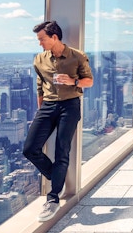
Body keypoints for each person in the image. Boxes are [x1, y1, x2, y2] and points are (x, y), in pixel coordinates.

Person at [23, 20, 94, 222]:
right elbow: (40, 85)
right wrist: (41, 110)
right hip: (47, 107)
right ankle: (56, 179)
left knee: (62, 151)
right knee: (29, 149)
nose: (39, 43)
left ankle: (53, 198)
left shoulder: (76, 56)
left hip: (69, 106)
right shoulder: (39, 59)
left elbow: (89, 81)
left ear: (54, 37)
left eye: (42, 39)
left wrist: (73, 81)